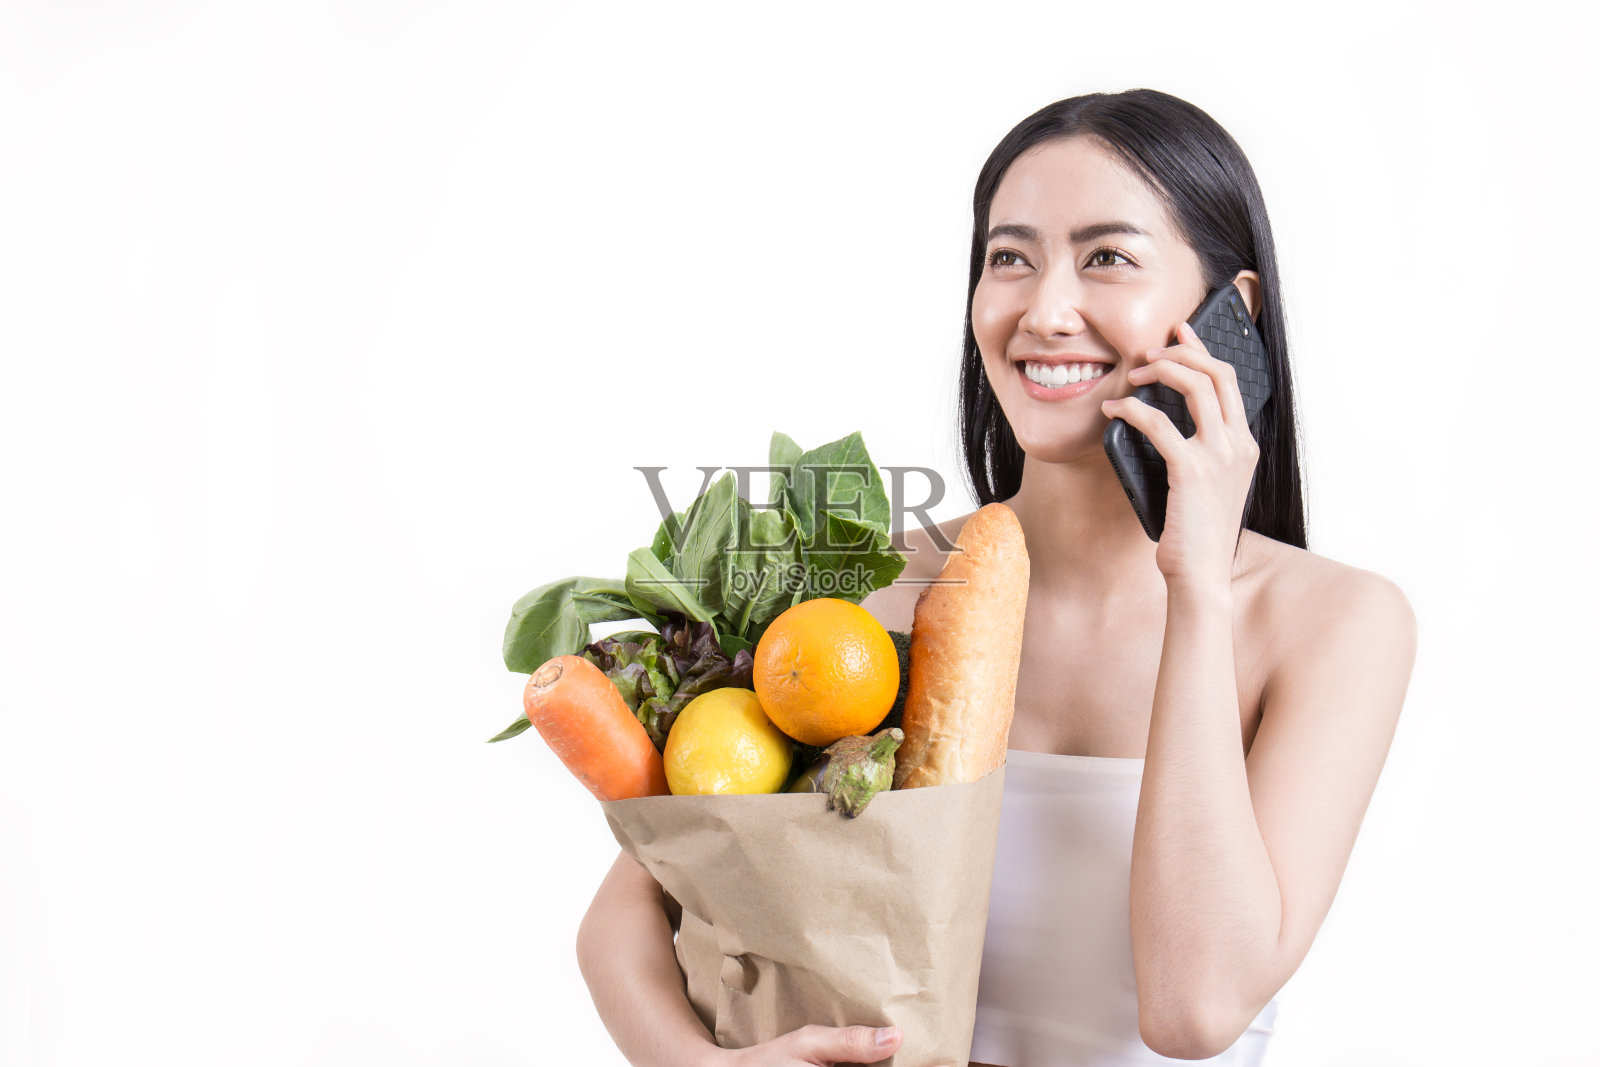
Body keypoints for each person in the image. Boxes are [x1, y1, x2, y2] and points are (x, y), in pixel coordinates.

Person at [574, 89, 1417, 1067]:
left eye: (1107, 257)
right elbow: (627, 913)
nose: (1043, 310)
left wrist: (1195, 583)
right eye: (1009, 257)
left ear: (1232, 312)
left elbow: (1193, 1008)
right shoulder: (865, 593)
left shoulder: (1333, 623)